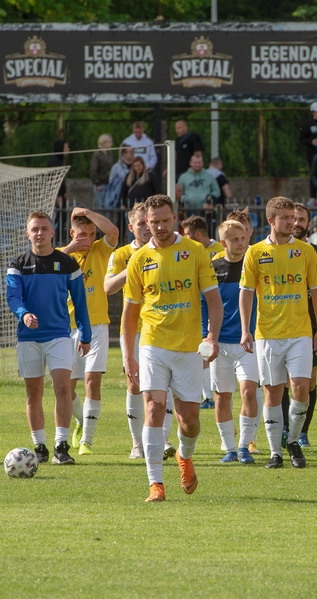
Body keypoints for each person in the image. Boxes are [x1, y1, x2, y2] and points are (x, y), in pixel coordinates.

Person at [122, 194, 222, 502]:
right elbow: (129, 314)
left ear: (174, 217)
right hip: (152, 343)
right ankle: (156, 484)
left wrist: (212, 337)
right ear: (146, 223)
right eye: (154, 222)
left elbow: (214, 302)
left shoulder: (194, 252)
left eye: (165, 220)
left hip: (189, 348)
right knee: (152, 407)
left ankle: (184, 456)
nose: (160, 227)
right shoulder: (139, 259)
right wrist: (129, 357)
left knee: (189, 422)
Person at [239, 197, 317, 469]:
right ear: (271, 220)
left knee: (301, 388)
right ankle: (275, 452)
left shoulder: (306, 251)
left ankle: (294, 440)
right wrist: (245, 329)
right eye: (286, 217)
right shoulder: (254, 252)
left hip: (300, 333)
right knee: (273, 393)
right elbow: (246, 293)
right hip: (267, 334)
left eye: (294, 217)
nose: (292, 222)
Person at [7, 211, 91, 466]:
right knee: (34, 392)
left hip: (59, 336)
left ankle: (61, 446)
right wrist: (24, 315)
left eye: (44, 228)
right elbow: (13, 297)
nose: (40, 233)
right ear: (28, 234)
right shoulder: (18, 264)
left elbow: (80, 301)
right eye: (35, 229)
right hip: (28, 338)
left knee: (63, 387)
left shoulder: (67, 264)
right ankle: (40, 446)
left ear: (53, 232)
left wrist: (85, 334)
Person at [104, 203, 176, 460]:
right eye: (141, 224)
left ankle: (163, 440)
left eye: (149, 223)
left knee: (164, 386)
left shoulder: (166, 250)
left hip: (163, 326)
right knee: (135, 385)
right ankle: (137, 444)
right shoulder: (123, 254)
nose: (147, 229)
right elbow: (108, 286)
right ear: (132, 226)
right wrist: (132, 266)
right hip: (134, 328)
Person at [58, 208, 119, 455]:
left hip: (96, 325)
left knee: (93, 381)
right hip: (67, 327)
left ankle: (87, 442)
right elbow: (43, 265)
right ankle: (82, 421)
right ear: (72, 233)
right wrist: (72, 248)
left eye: (92, 234)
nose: (88, 239)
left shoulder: (100, 251)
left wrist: (87, 213)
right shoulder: (61, 256)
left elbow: (113, 231)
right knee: (66, 387)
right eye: (82, 235)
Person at [281, 204, 317, 448]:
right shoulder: (274, 251)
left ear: (309, 224)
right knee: (283, 382)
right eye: (292, 218)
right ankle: (285, 429)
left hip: (310, 325)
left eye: (301, 219)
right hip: (280, 324)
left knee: (309, 382)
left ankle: (302, 430)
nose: (296, 223)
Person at [205, 219, 259, 464]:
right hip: (220, 343)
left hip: (248, 342)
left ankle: (244, 446)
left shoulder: (255, 264)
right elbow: (204, 305)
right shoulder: (212, 268)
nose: (240, 243)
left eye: (243, 238)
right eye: (234, 239)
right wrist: (207, 338)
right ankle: (228, 448)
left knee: (249, 392)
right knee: (222, 397)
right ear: (223, 242)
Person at [182, 214, 225, 410]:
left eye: (188, 235)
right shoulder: (187, 251)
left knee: (216, 348)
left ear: (197, 235)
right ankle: (207, 396)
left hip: (218, 306)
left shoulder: (220, 250)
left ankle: (215, 392)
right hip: (197, 306)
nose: (185, 239)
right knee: (202, 349)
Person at [105, 146, 134, 211]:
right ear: (124, 153)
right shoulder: (116, 167)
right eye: (130, 152)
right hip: (120, 195)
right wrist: (122, 181)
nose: (132, 153)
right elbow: (111, 182)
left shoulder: (136, 165)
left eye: (133, 151)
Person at [90, 134, 114, 208]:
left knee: (108, 205)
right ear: (103, 143)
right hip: (100, 184)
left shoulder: (110, 155)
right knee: (100, 205)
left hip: (108, 183)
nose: (111, 144)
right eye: (109, 142)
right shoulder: (97, 155)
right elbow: (93, 169)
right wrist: (97, 183)